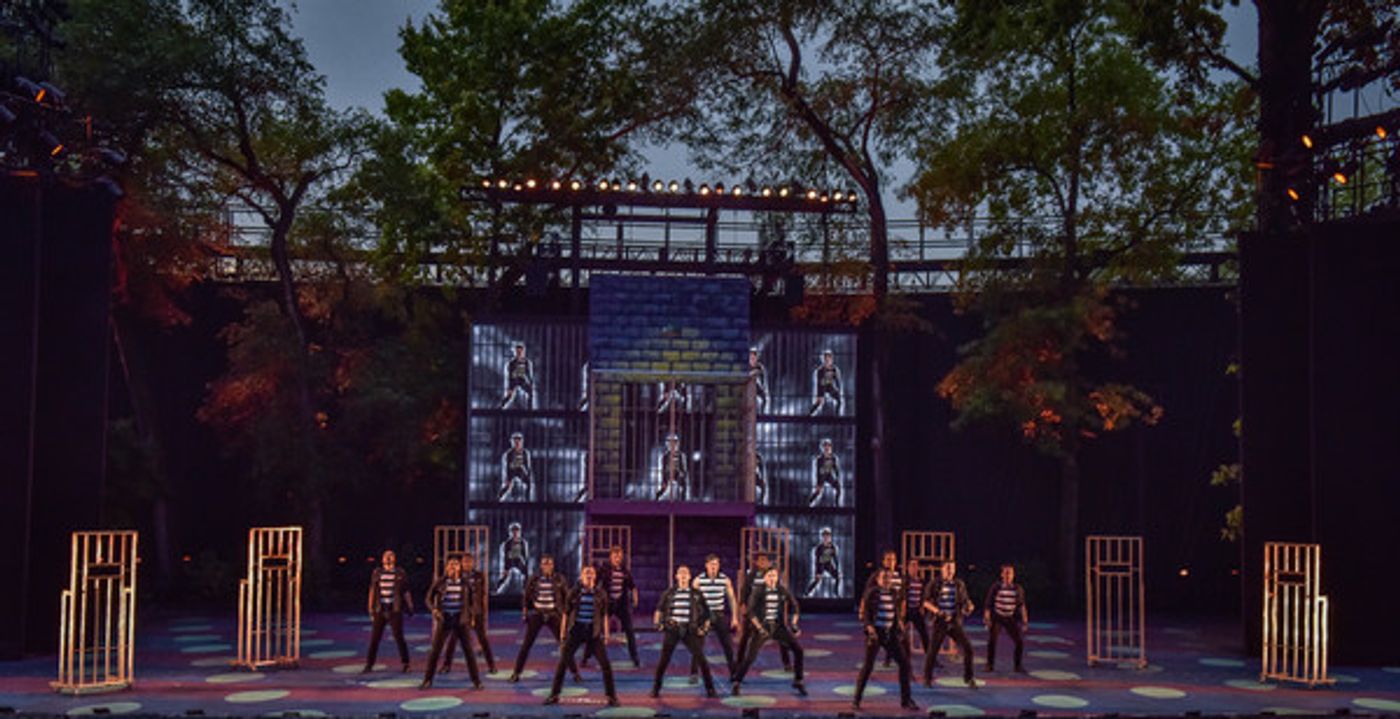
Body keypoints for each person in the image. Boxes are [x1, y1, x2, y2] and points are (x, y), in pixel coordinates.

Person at [543, 565, 618, 707]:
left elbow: (604, 615)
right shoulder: (574, 592)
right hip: (576, 631)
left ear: (595, 576)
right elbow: (565, 613)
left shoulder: (601, 593)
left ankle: (612, 696)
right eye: (586, 573)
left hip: (593, 632)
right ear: (581, 576)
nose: (589, 575)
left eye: (591, 573)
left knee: (606, 666)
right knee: (562, 663)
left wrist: (606, 634)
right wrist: (562, 634)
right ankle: (554, 695)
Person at [731, 567, 805, 697]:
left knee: (798, 650)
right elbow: (750, 611)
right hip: (762, 627)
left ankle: (798, 680)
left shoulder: (781, 590)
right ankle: (737, 681)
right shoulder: (758, 590)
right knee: (750, 657)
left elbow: (795, 606)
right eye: (770, 576)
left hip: (778, 626)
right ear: (765, 578)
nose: (772, 579)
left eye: (774, 576)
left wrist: (794, 623)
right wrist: (759, 628)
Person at [853, 570, 918, 711]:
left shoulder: (894, 593)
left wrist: (899, 624)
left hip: (891, 635)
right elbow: (866, 614)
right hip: (876, 634)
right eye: (884, 578)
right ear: (878, 579)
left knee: (905, 665)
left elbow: (895, 611)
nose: (887, 580)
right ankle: (856, 700)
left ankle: (906, 700)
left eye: (889, 578)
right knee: (868, 667)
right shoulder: (872, 593)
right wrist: (869, 627)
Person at [651, 565, 718, 698]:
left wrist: (704, 629)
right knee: (664, 661)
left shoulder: (696, 594)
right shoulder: (669, 593)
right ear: (676, 576)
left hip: (689, 630)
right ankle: (655, 689)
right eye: (680, 573)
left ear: (689, 577)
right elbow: (659, 610)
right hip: (673, 629)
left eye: (685, 574)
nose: (682, 576)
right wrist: (657, 624)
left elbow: (707, 614)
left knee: (702, 660)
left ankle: (710, 689)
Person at [509, 555, 579, 682]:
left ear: (553, 566)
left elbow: (567, 596)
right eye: (545, 564)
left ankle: (575, 673)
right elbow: (526, 596)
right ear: (541, 566)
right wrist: (524, 612)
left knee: (564, 644)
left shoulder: (559, 579)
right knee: (526, 645)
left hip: (553, 614)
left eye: (550, 564)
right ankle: (516, 673)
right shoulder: (534, 579)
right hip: (537, 613)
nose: (547, 566)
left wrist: (566, 614)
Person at [420, 556, 481, 690]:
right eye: (451, 564)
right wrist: (434, 609)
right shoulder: (440, 582)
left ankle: (476, 681)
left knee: (469, 652)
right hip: (445, 618)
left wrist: (471, 616)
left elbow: (472, 601)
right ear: (447, 567)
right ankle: (427, 680)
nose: (453, 567)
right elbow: (428, 599)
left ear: (460, 568)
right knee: (435, 651)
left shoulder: (465, 583)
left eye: (456, 564)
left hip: (460, 620)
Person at [921, 561, 976, 688]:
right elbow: (925, 602)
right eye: (947, 568)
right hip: (940, 621)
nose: (950, 571)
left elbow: (965, 600)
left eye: (952, 568)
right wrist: (938, 612)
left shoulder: (959, 584)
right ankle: (927, 678)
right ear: (942, 570)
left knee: (968, 649)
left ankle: (969, 678)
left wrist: (969, 606)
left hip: (954, 621)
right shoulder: (934, 583)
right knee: (932, 651)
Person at [584, 546, 641, 668]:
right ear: (611, 557)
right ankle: (586, 656)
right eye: (615, 556)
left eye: (619, 557)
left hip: (621, 603)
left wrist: (635, 598)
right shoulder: (604, 569)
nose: (617, 559)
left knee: (629, 630)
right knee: (596, 629)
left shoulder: (625, 571)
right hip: (607, 603)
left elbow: (633, 586)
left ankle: (635, 657)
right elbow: (594, 581)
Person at [439, 553, 495, 675]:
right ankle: (446, 665)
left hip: (476, 611)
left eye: (469, 562)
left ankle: (491, 665)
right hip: (461, 613)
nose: (467, 564)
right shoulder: (457, 576)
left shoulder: (479, 576)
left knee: (483, 639)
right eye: (465, 562)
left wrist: (483, 612)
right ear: (461, 563)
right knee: (453, 640)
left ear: (473, 563)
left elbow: (483, 595)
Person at [736, 553, 791, 672]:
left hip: (771, 611)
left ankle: (787, 663)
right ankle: (739, 662)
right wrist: (743, 605)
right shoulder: (752, 575)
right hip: (754, 611)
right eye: (760, 561)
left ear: (769, 563)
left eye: (765, 561)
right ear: (756, 562)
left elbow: (779, 591)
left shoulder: (773, 574)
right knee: (745, 637)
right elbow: (744, 590)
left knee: (782, 638)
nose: (762, 563)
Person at [691, 554, 740, 679]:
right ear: (706, 565)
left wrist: (734, 617)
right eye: (711, 564)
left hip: (718, 614)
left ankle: (733, 672)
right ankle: (694, 672)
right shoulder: (698, 580)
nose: (714, 567)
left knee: (727, 645)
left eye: (716, 565)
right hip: (704, 615)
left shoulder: (724, 579)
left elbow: (732, 599)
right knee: (698, 644)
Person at [363, 549, 413, 674]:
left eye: (391, 555)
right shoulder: (377, 572)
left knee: (399, 637)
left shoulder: (400, 572)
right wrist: (370, 607)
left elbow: (406, 590)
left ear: (395, 558)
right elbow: (373, 590)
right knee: (375, 638)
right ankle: (369, 664)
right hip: (380, 609)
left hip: (394, 609)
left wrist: (410, 605)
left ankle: (406, 663)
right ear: (382, 559)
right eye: (386, 556)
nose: (388, 558)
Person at [860, 550, 904, 666]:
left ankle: (890, 659)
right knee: (874, 642)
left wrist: (901, 614)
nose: (891, 562)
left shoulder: (899, 577)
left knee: (894, 637)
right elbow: (866, 594)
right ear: (884, 562)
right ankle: (869, 662)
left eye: (893, 560)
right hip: (877, 613)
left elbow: (901, 597)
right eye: (888, 560)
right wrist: (862, 610)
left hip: (893, 612)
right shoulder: (877, 576)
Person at [983, 563, 1028, 673]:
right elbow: (988, 604)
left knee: (1019, 641)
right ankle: (989, 665)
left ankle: (1018, 666)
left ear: (1013, 575)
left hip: (1010, 617)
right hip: (997, 616)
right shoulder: (996, 587)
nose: (1008, 576)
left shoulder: (1018, 588)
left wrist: (1025, 621)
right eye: (1006, 573)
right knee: (992, 641)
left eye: (1010, 573)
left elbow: (1022, 605)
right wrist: (987, 619)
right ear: (1002, 575)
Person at [903, 559, 931, 662]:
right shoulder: (904, 580)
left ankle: (930, 658)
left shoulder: (921, 581)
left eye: (916, 566)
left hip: (916, 611)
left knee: (924, 634)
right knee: (897, 634)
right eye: (912, 565)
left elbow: (924, 596)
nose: (914, 568)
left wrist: (922, 607)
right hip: (906, 611)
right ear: (908, 568)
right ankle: (889, 658)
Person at [804, 528, 842, 598]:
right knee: (817, 580)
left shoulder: (832, 547)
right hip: (820, 565)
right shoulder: (819, 548)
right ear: (822, 537)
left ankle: (836, 592)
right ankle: (807, 592)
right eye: (825, 537)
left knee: (838, 577)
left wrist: (837, 569)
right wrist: (817, 572)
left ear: (830, 537)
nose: (826, 538)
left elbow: (835, 559)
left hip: (828, 564)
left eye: (828, 536)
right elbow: (817, 561)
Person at [493, 522, 529, 595]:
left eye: (517, 531)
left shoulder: (523, 543)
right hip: (508, 568)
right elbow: (504, 558)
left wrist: (525, 570)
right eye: (513, 531)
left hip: (520, 568)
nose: (515, 533)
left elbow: (525, 557)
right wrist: (504, 570)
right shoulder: (506, 544)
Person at [807, 438, 841, 507]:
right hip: (821, 476)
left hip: (828, 475)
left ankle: (837, 504)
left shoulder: (833, 458)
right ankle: (809, 502)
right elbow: (817, 472)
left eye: (829, 446)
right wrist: (818, 483)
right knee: (817, 492)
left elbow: (836, 469)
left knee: (838, 488)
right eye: (825, 446)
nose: (827, 448)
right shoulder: (819, 459)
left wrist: (837, 478)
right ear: (822, 448)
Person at [498, 432, 532, 502]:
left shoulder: (526, 453)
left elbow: (528, 468)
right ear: (511, 442)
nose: (517, 443)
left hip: (522, 475)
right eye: (515, 441)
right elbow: (505, 469)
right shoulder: (507, 454)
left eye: (519, 441)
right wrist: (507, 481)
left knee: (528, 486)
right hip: (510, 476)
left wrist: (523, 470)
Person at [500, 342, 535, 409]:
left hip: (522, 380)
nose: (519, 353)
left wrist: (529, 382)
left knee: (530, 393)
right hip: (513, 380)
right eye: (517, 351)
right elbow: (510, 375)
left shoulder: (526, 362)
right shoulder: (511, 363)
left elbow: (529, 374)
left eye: (521, 351)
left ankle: (530, 409)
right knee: (509, 396)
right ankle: (501, 407)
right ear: (515, 352)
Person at [655, 433, 688, 501]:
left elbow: (684, 472)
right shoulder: (664, 456)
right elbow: (661, 471)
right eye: (669, 442)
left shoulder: (682, 456)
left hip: (678, 484)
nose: (672, 444)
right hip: (666, 484)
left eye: (675, 442)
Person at [808, 349, 842, 415]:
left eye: (829, 358)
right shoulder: (820, 370)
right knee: (819, 403)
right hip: (822, 387)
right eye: (826, 359)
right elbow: (819, 383)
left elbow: (837, 380)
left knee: (839, 401)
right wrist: (820, 395)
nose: (827, 360)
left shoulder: (834, 369)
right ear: (823, 360)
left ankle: (837, 416)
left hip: (830, 387)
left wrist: (837, 389)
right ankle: (810, 415)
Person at [748, 347, 769, 412]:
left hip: (756, 386)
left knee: (764, 399)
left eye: (754, 358)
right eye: (751, 358)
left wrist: (763, 389)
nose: (752, 360)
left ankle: (762, 414)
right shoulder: (746, 366)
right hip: (747, 387)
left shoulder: (760, 367)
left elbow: (763, 381)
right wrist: (752, 373)